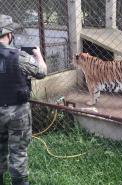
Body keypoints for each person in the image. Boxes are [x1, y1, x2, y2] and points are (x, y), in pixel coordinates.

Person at [0, 14, 47, 185]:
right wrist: (37, 54)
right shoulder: (19, 56)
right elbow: (42, 72)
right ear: (10, 34)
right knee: (18, 154)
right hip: (17, 113)